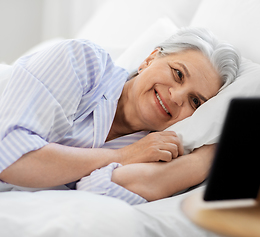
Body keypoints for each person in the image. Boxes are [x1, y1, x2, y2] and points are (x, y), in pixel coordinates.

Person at [0, 28, 240, 204]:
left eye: (195, 101)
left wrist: (202, 162)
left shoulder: (155, 148)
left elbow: (98, 195)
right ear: (150, 59)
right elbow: (10, 155)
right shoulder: (83, 61)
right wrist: (122, 156)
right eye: (178, 74)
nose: (177, 97)